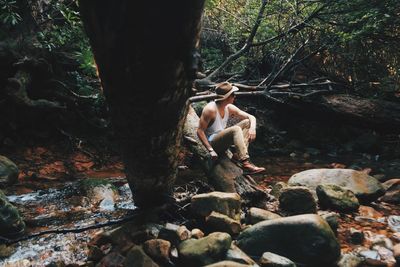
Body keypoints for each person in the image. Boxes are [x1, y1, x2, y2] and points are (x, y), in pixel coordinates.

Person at [197, 81, 266, 174]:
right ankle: (245, 162)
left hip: (223, 139)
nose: (235, 96)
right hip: (212, 142)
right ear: (227, 97)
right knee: (236, 129)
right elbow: (200, 131)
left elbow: (251, 117)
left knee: (247, 122)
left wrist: (252, 128)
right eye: (233, 94)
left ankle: (238, 156)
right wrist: (211, 150)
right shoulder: (210, 109)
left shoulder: (228, 107)